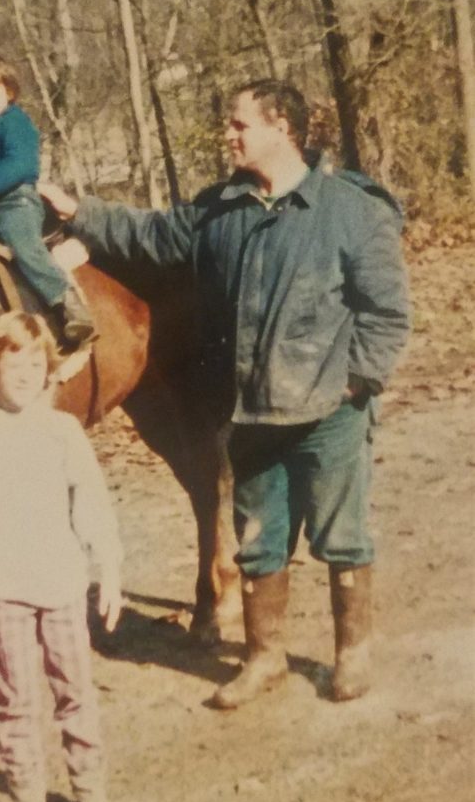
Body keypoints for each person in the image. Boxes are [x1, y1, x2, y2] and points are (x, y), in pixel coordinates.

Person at [39, 78, 411, 709]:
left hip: (330, 409)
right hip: (250, 411)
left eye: (240, 124)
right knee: (260, 538)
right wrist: (78, 212)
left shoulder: (350, 209)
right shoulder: (222, 210)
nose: (228, 134)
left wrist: (357, 380)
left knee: (340, 535)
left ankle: (353, 653)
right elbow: (153, 235)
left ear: (282, 128)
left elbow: (386, 312)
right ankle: (263, 658)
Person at [0, 311, 122, 802]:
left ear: (50, 370)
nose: (25, 371)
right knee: (13, 701)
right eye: (12, 359)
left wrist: (107, 569)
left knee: (76, 691)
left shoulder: (64, 432)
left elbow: (92, 506)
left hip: (62, 585)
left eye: (36, 361)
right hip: (2, 592)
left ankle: (90, 792)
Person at [0, 50, 96, 348]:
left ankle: (67, 304)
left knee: (22, 245)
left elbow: (20, 165)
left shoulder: (15, 123)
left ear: (9, 92)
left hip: (14, 202)